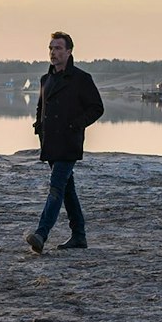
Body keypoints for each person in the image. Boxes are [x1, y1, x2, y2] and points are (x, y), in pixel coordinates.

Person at [26, 30, 104, 253]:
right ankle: (79, 236)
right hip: (50, 143)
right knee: (67, 190)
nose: (53, 52)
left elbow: (97, 108)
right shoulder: (45, 79)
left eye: (58, 48)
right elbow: (42, 108)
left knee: (56, 188)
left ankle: (41, 234)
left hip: (69, 143)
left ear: (69, 52)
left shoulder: (81, 79)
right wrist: (39, 128)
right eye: (51, 48)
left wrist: (76, 125)